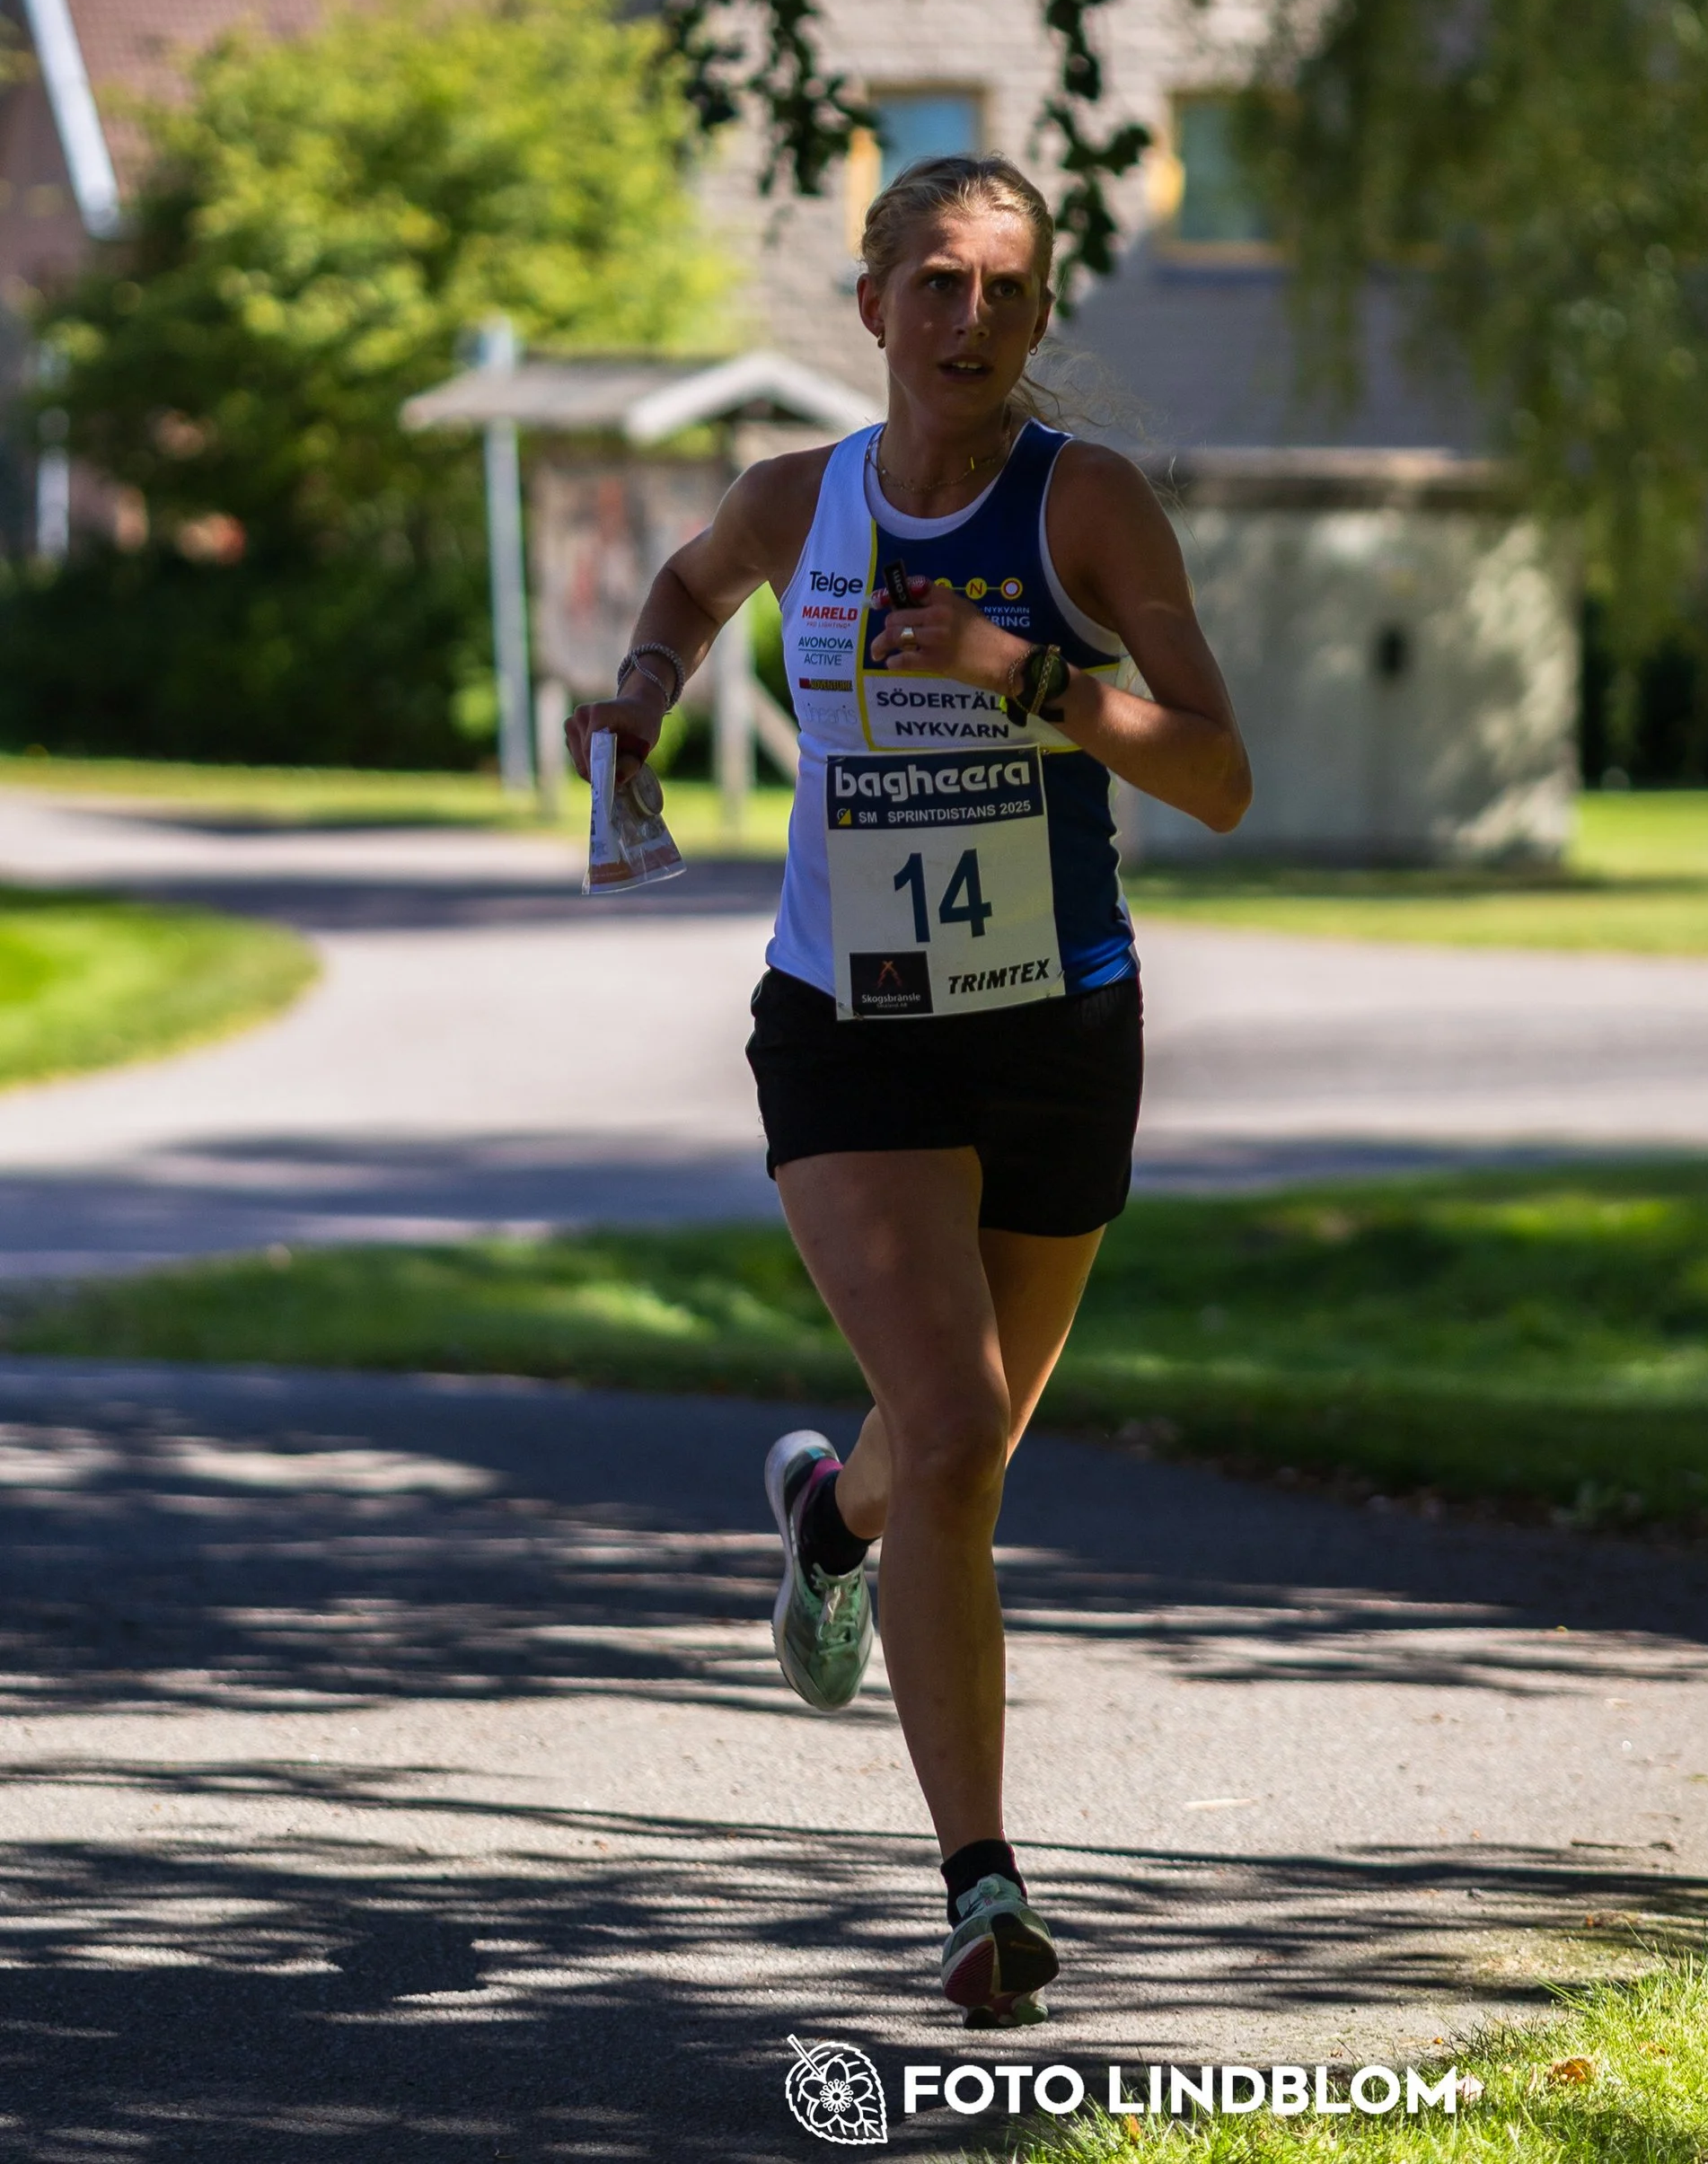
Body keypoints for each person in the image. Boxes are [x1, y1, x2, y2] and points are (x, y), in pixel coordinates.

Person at [567, 154, 1251, 2024]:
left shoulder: (1083, 504)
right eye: (934, 284)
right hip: (846, 1023)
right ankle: (982, 1887)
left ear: (1039, 318)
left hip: (1055, 1024)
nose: (968, 322)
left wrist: (1017, 671)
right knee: (948, 1425)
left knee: (956, 1451)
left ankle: (825, 1526)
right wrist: (634, 694)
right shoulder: (796, 500)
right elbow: (690, 589)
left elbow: (1213, 774)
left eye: (1006, 294)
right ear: (867, 303)